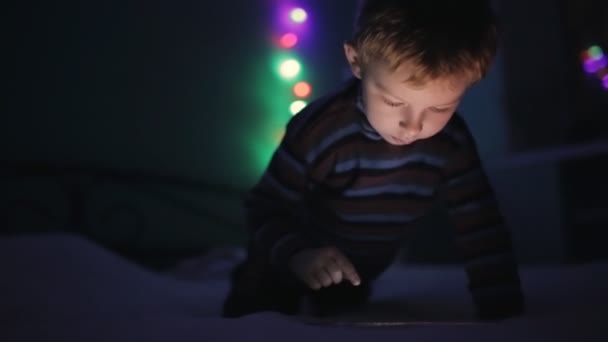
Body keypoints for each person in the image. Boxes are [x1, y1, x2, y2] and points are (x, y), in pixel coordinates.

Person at [223, 0, 525, 321]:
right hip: (279, 267)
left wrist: (503, 313)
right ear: (356, 61)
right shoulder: (321, 131)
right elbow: (264, 207)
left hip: (352, 280)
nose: (413, 126)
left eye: (439, 108)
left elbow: (481, 227)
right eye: (394, 101)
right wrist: (298, 256)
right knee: (257, 317)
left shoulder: (451, 142)